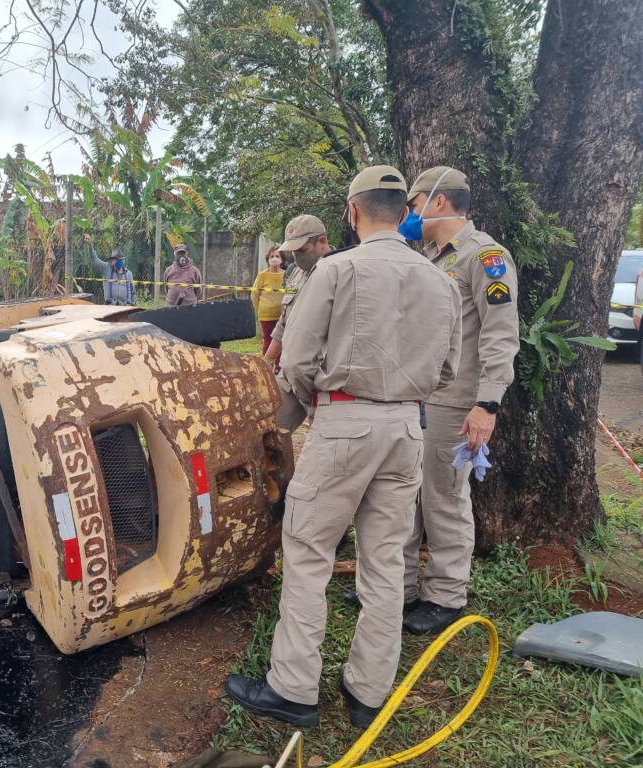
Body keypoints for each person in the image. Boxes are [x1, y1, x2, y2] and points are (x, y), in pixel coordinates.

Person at [225, 165, 462, 729]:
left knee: (308, 550)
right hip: (407, 428)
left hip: (345, 423)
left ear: (353, 212)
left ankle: (293, 689)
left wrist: (294, 416)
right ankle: (368, 693)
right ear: (403, 212)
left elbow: (298, 360)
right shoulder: (442, 282)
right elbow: (448, 372)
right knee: (385, 560)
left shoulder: (337, 270)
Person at [395, 166, 520, 636]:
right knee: (406, 493)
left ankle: (445, 596)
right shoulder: (427, 256)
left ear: (438, 202)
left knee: (444, 496)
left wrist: (487, 404)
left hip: (457, 402)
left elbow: (500, 335)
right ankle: (399, 587)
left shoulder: (485, 257)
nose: (408, 215)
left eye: (413, 205)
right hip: (417, 396)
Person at [264, 215, 334, 367]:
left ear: (322, 241)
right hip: (292, 369)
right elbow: (284, 322)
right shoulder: (295, 273)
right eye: (293, 251)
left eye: (302, 250)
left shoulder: (338, 274)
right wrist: (267, 361)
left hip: (321, 371)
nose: (297, 256)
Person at [251, 245, 287, 357]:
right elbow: (254, 294)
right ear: (268, 259)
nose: (274, 258)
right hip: (266, 315)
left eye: (277, 256)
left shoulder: (286, 275)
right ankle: (266, 364)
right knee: (268, 341)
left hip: (282, 315)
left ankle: (278, 366)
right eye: (272, 256)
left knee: (281, 342)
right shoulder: (262, 275)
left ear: (282, 259)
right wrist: (260, 308)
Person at [86, 235, 135, 306]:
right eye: (116, 260)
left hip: (126, 307)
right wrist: (90, 246)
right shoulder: (106, 269)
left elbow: (133, 292)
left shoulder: (129, 274)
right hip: (111, 306)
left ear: (123, 260)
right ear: (112, 261)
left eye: (120, 260)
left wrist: (133, 305)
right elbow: (94, 259)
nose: (118, 261)